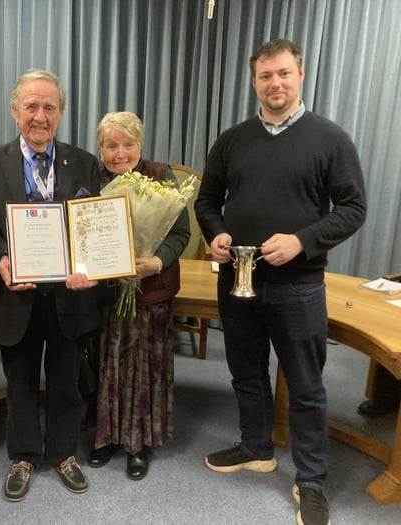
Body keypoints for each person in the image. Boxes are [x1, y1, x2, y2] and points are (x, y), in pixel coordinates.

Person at [194, 39, 367, 525]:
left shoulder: (330, 138)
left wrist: (302, 240)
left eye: (284, 74)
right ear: (254, 82)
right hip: (238, 280)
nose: (275, 84)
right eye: (266, 76)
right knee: (245, 373)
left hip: (299, 286)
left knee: (307, 386)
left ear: (301, 75)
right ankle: (255, 447)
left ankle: (310, 480)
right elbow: (207, 202)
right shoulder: (231, 140)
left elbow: (354, 209)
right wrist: (217, 232)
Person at [0, 69, 102, 502]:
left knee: (66, 379)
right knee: (20, 377)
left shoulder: (84, 163)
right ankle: (24, 454)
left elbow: (91, 229)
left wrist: (89, 264)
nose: (40, 115)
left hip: (69, 295)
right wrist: (1, 261)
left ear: (60, 113)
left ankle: (64, 453)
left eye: (49, 106)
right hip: (17, 294)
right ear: (15, 111)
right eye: (31, 106)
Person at [87, 112, 190, 480]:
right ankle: (107, 436)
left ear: (140, 145)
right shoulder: (93, 181)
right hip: (108, 293)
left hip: (152, 292)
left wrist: (155, 261)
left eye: (127, 144)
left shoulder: (162, 177)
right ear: (101, 149)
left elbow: (180, 234)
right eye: (111, 146)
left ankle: (138, 442)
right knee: (109, 363)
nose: (120, 153)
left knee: (144, 367)